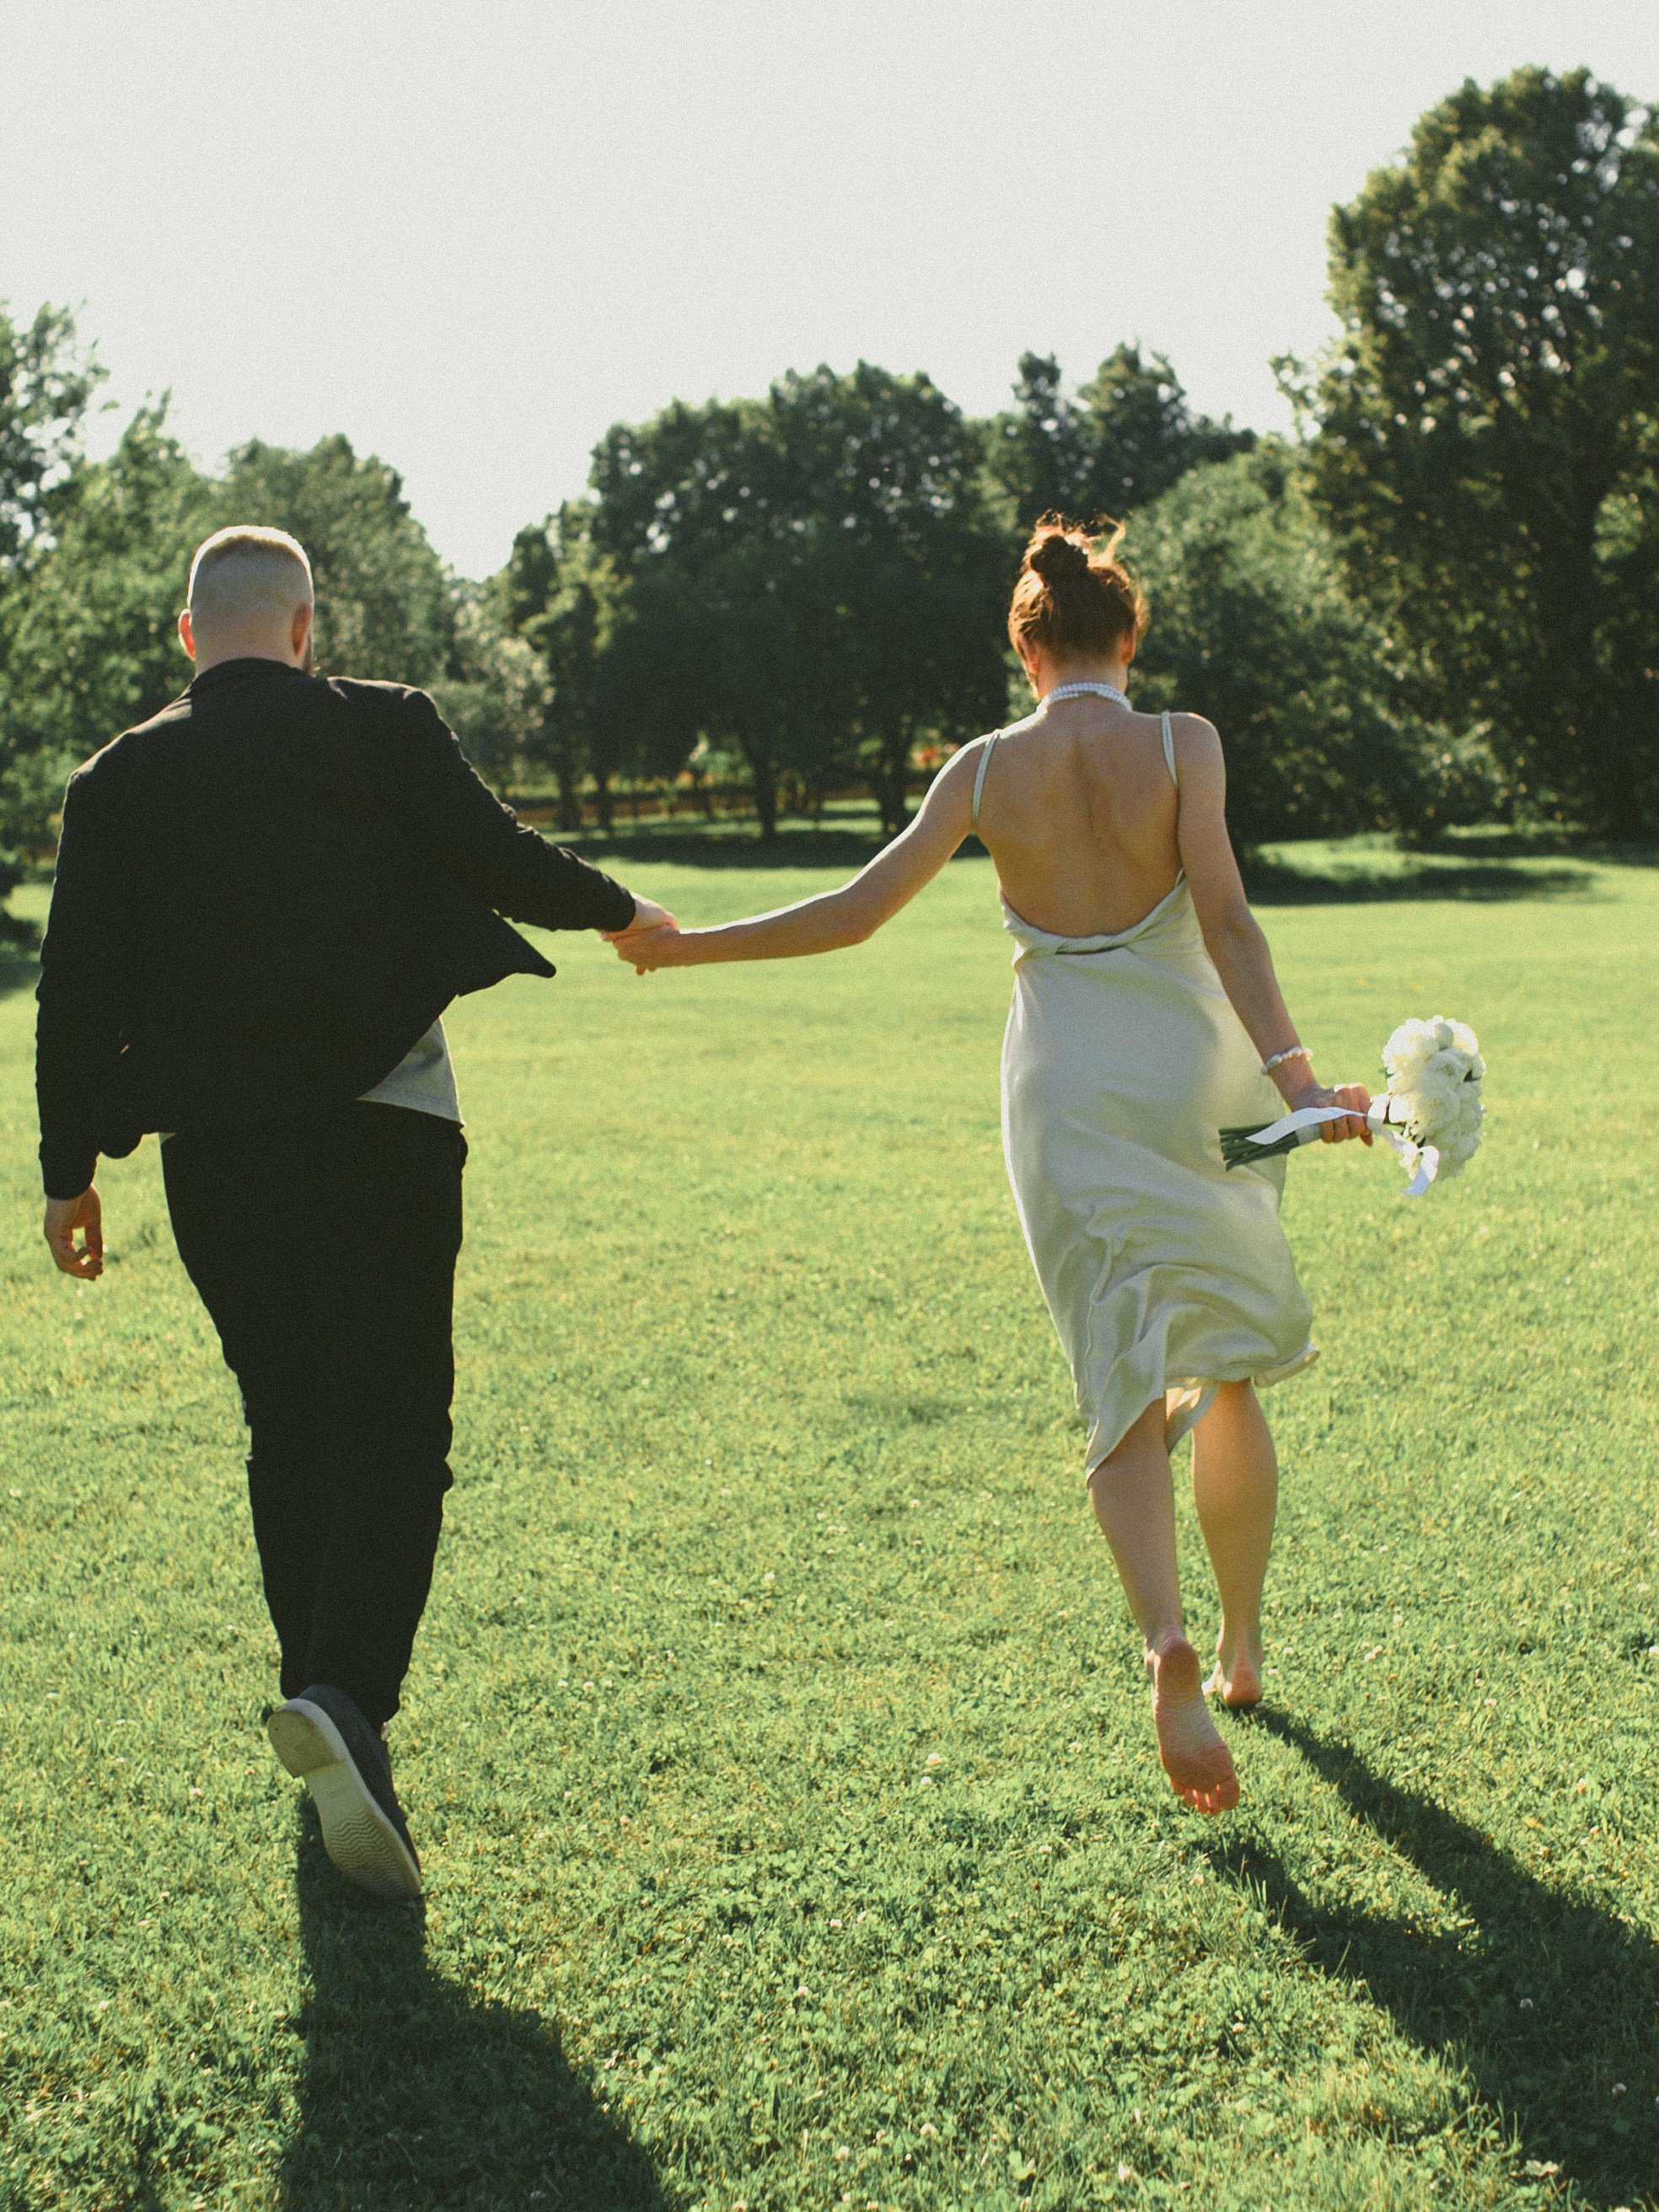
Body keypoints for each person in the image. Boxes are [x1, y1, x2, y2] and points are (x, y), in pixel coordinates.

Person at [608, 515, 1371, 1816]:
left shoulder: (980, 770)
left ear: (1026, 651)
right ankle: (1240, 1654)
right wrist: (1301, 1084)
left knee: (1120, 1383)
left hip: (1064, 1093)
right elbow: (1229, 921)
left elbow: (852, 912)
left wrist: (685, 948)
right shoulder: (1185, 744)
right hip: (1193, 1078)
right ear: (1126, 637)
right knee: (1229, 1369)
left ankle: (1165, 1645)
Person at [36, 524, 673, 1898]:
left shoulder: (120, 779)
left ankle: (321, 1711)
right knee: (397, 1432)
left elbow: (71, 987)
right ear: (308, 629)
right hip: (388, 1129)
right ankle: (343, 1703)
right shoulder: (385, 730)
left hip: (220, 1159)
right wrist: (624, 909)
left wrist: (65, 1174)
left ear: (189, 635)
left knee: (293, 1424)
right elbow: (498, 857)